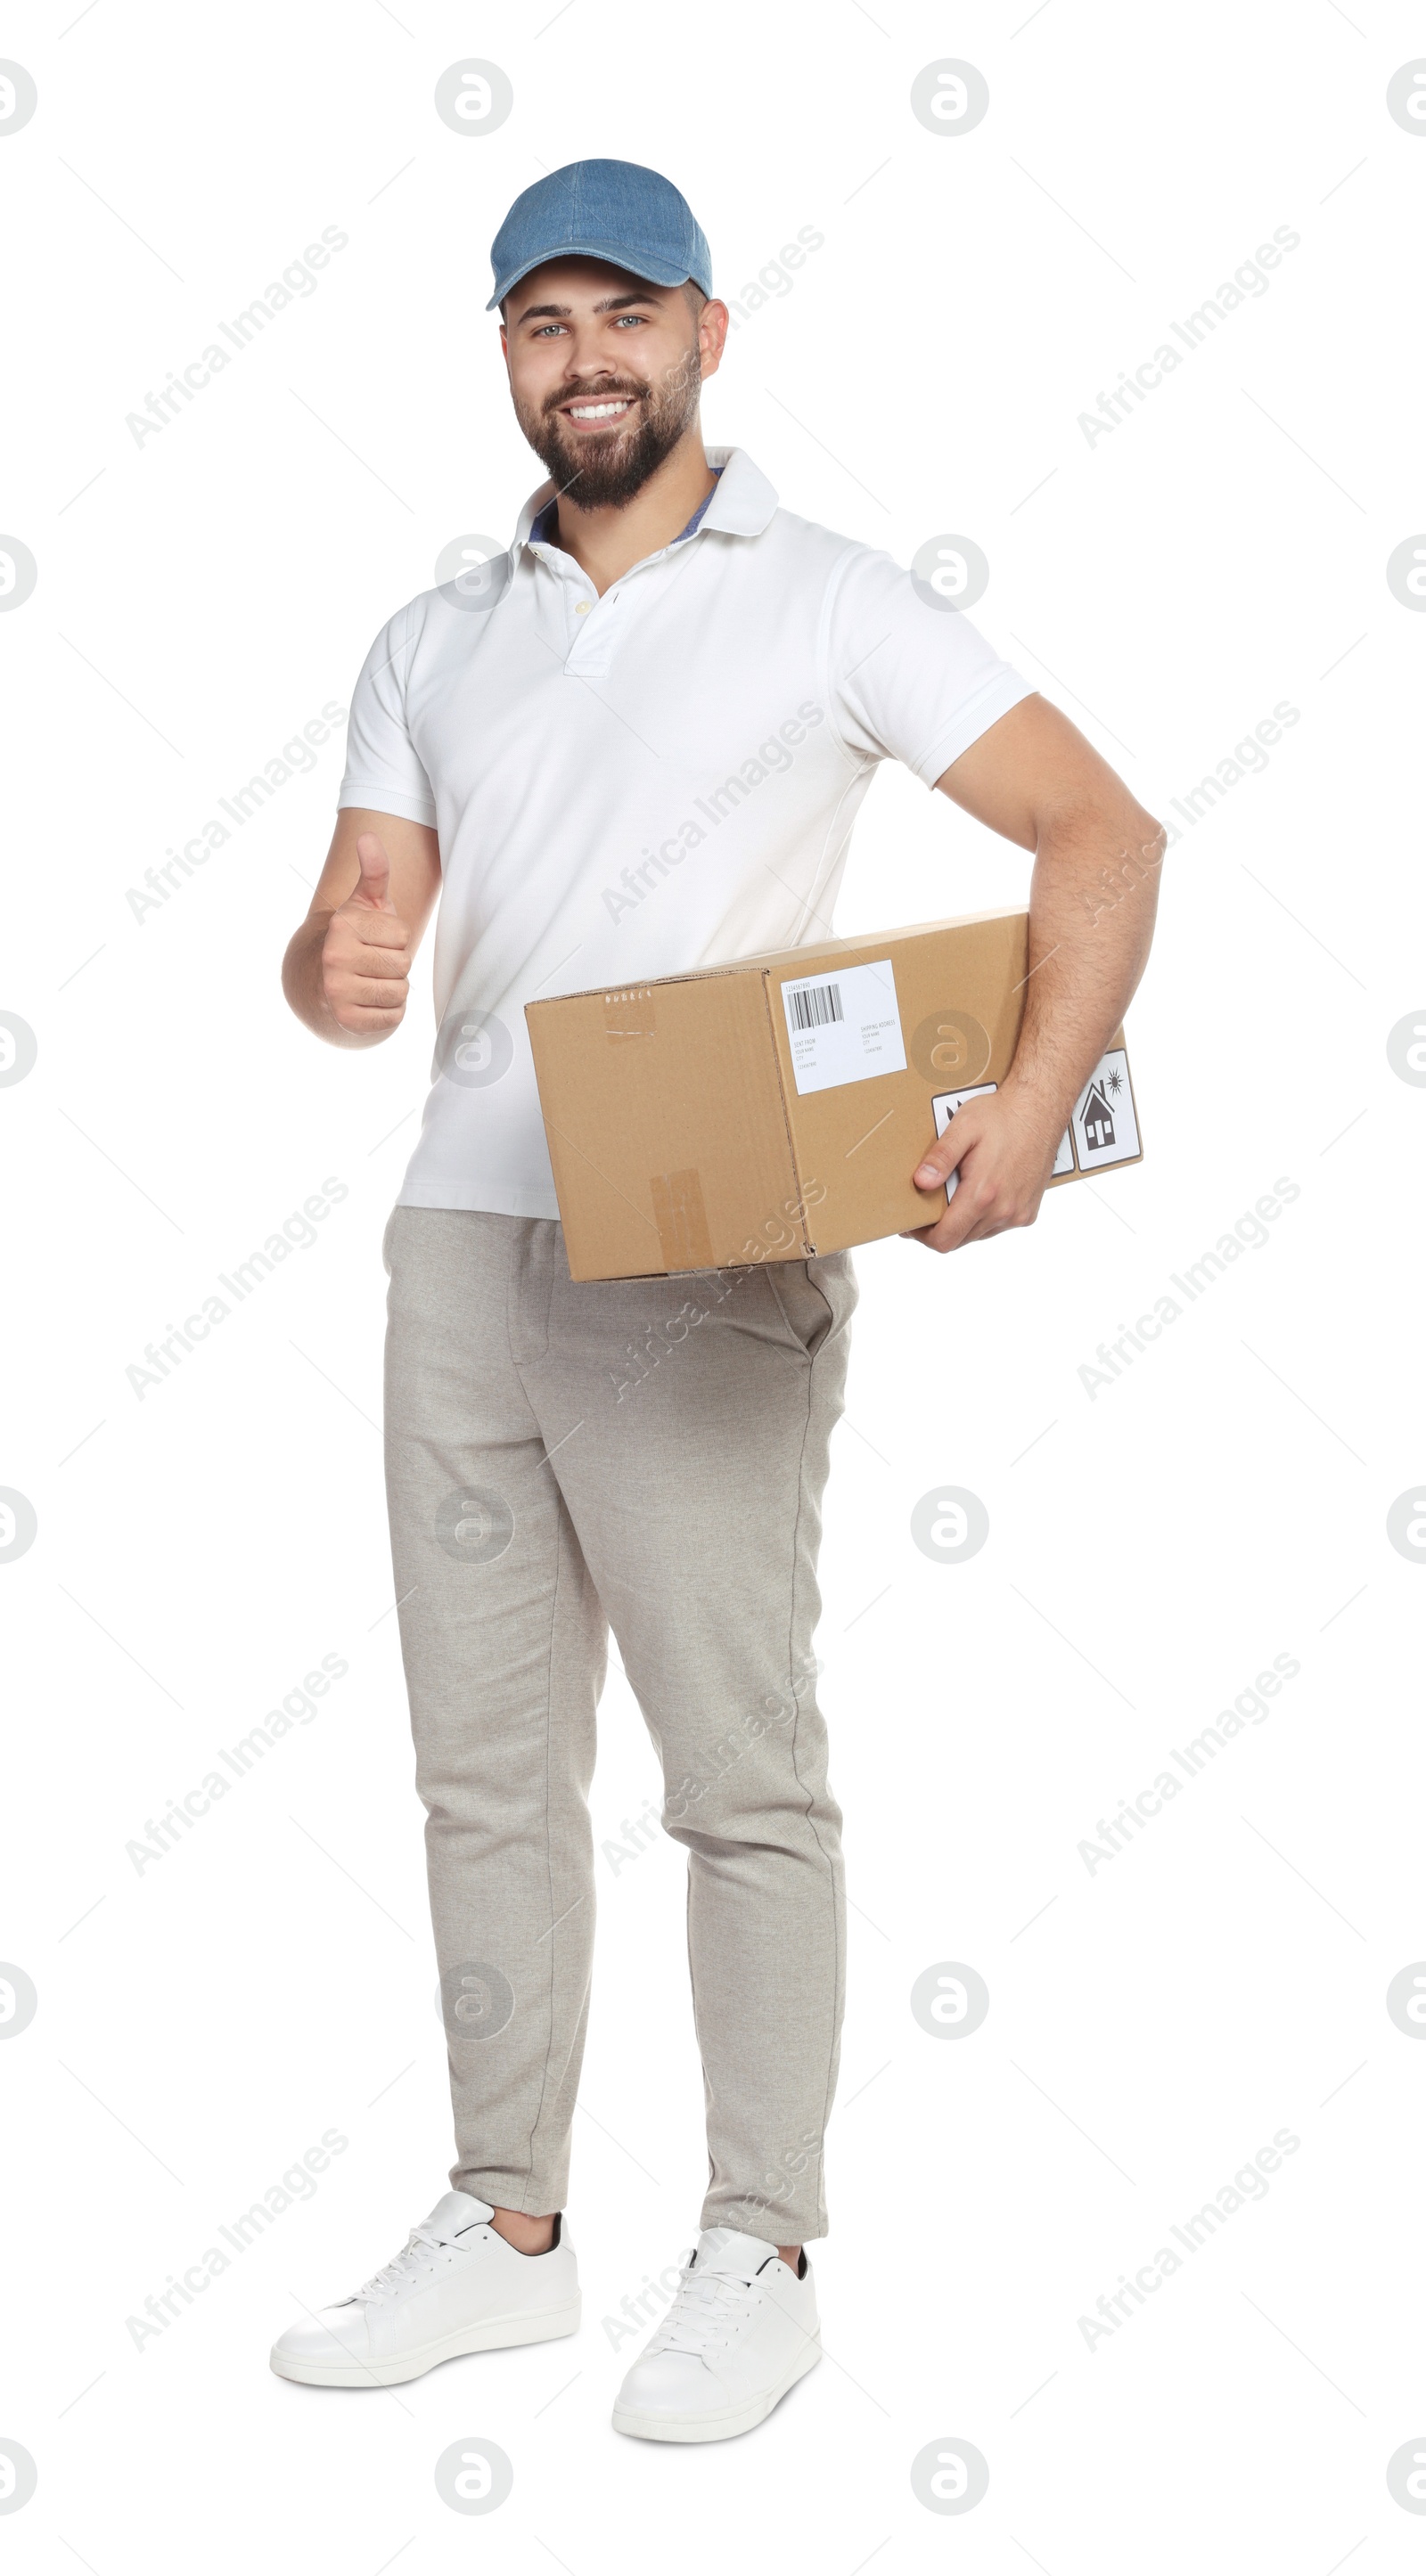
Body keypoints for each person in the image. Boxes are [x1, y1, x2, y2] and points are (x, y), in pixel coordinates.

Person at [271, 158, 1162, 2441]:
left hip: (697, 1254)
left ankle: (759, 2246)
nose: (585, 359)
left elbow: (1099, 833)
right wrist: (330, 965)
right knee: (484, 1775)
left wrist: (1025, 1115)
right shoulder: (431, 635)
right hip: (460, 1244)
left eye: (623, 314)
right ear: (504, 359)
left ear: (705, 335)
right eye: (540, 324)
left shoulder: (835, 603)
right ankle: (503, 2227)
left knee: (735, 1776)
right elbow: (350, 950)